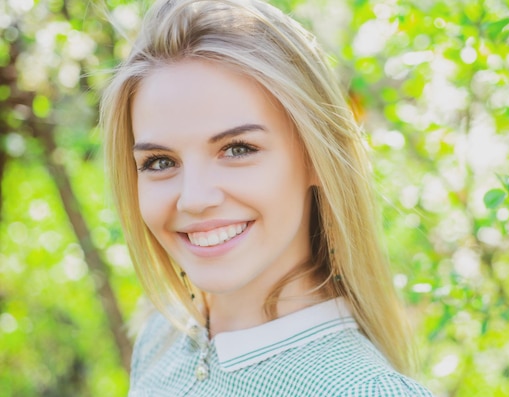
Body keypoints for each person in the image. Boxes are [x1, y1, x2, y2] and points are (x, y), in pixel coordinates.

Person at [101, 0, 433, 395]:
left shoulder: (368, 389)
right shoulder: (164, 335)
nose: (193, 199)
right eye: (159, 161)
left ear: (316, 156)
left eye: (238, 149)